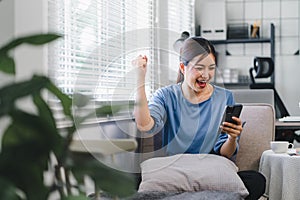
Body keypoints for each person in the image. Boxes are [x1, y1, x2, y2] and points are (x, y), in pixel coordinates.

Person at [132, 36, 265, 200]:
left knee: (256, 180)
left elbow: (225, 154)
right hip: (176, 173)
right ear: (183, 67)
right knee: (133, 181)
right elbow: (145, 125)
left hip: (209, 173)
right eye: (199, 68)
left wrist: (232, 137)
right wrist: (140, 79)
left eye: (211, 68)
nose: (206, 75)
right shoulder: (165, 96)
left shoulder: (225, 98)